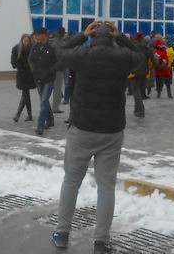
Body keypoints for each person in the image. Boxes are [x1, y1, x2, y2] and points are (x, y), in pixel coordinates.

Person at [50, 21, 143, 254]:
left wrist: (82, 35)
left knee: (71, 181)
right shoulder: (123, 57)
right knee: (106, 186)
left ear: (93, 36)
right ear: (112, 37)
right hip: (112, 130)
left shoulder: (83, 55)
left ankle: (62, 233)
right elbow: (142, 56)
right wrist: (121, 38)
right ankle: (101, 241)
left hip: (82, 127)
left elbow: (59, 50)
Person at [29, 27, 59, 135]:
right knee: (44, 101)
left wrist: (51, 70)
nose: (37, 37)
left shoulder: (52, 47)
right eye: (36, 35)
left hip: (49, 79)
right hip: (38, 78)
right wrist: (33, 70)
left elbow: (58, 61)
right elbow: (31, 59)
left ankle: (40, 125)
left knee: (43, 101)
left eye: (39, 35)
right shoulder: (35, 46)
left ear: (44, 35)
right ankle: (50, 120)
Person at [11, 33, 35, 122]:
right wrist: (19, 65)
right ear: (22, 41)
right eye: (25, 41)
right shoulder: (16, 49)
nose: (26, 43)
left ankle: (18, 115)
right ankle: (29, 115)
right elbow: (13, 62)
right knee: (26, 94)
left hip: (29, 74)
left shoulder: (32, 49)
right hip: (21, 74)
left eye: (28, 41)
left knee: (25, 94)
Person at [51, 27, 67, 114]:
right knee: (57, 88)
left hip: (49, 68)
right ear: (63, 34)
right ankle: (55, 108)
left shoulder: (50, 42)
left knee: (50, 88)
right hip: (59, 68)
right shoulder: (62, 44)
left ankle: (49, 106)